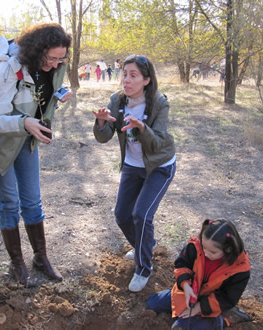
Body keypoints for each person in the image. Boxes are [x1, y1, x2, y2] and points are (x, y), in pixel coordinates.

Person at [0, 23, 72, 286]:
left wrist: (57, 97)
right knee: (9, 202)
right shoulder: (8, 68)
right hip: (2, 143)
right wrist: (25, 122)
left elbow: (40, 97)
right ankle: (17, 263)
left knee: (32, 201)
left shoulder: (55, 67)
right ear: (37, 50)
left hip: (26, 141)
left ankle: (41, 257)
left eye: (62, 58)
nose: (56, 64)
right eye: (52, 58)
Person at [92, 55, 176, 292]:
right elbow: (105, 136)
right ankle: (145, 244)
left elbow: (158, 143)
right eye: (124, 74)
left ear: (146, 80)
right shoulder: (117, 101)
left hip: (159, 166)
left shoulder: (159, 103)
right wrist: (101, 123)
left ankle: (144, 268)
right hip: (132, 165)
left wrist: (142, 128)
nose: (126, 80)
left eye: (133, 75)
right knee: (122, 215)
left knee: (141, 215)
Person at [146, 220, 251, 329]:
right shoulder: (195, 245)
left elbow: (228, 298)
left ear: (228, 249)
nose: (205, 253)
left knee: (180, 327)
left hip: (212, 303)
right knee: (151, 303)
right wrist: (185, 286)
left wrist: (198, 307)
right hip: (189, 293)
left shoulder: (240, 269)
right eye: (204, 247)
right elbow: (182, 264)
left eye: (212, 252)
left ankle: (224, 319)